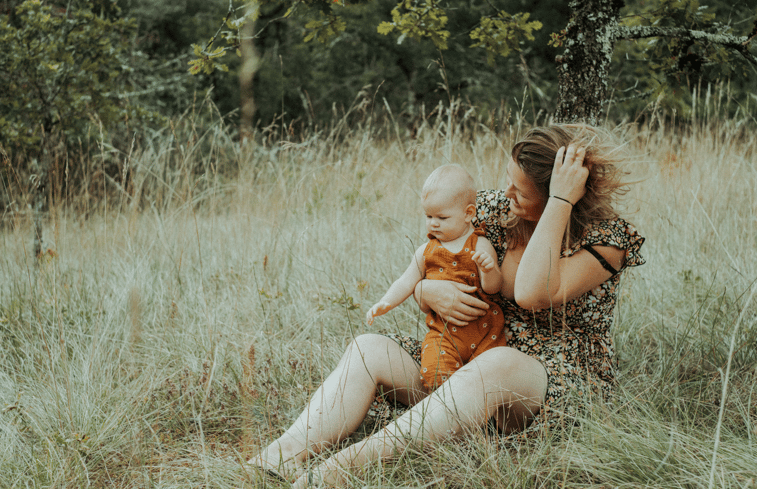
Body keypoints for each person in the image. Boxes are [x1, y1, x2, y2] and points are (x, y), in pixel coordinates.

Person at [246, 124, 645, 488]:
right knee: (368, 349)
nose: (506, 194)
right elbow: (434, 257)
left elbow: (532, 293)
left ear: (557, 193)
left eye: (520, 191)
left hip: (549, 379)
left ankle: (336, 473)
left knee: (497, 364)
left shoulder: (607, 238)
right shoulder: (492, 210)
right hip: (466, 353)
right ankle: (279, 458)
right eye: (508, 181)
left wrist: (560, 202)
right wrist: (426, 292)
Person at [366, 164, 505, 390]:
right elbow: (406, 281)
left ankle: (480, 418)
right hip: (443, 335)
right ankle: (442, 411)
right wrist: (386, 302)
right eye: (428, 216)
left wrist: (489, 270)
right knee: (434, 374)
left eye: (442, 217)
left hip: (485, 332)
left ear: (468, 213)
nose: (433, 223)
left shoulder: (480, 245)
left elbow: (493, 289)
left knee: (487, 380)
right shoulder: (425, 251)